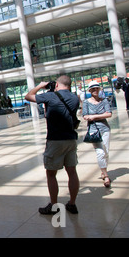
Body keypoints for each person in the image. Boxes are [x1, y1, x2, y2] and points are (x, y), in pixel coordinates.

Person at [24, 75, 80, 215]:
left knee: (51, 174)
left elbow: (28, 96)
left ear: (56, 85)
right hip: (71, 139)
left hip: (55, 140)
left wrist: (40, 86)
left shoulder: (50, 96)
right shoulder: (74, 98)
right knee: (72, 172)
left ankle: (54, 206)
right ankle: (72, 204)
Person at [82, 81, 112, 188]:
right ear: (89, 91)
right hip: (93, 130)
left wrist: (93, 117)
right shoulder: (86, 102)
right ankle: (106, 175)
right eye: (93, 89)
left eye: (97, 89)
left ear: (99, 90)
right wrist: (101, 115)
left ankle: (103, 170)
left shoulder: (104, 101)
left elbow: (109, 114)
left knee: (106, 152)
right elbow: (85, 115)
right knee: (100, 152)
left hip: (105, 129)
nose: (95, 90)